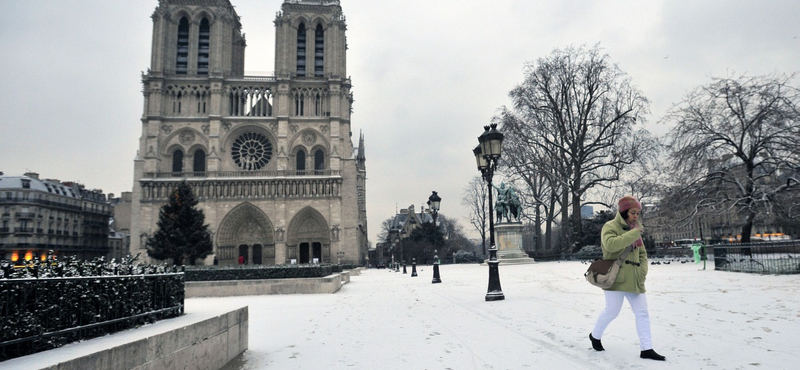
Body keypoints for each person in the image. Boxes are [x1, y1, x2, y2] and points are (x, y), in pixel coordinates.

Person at [589, 195, 666, 361]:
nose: (636, 216)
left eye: (638, 213)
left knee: (642, 313)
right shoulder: (610, 226)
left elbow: (642, 253)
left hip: (635, 279)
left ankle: (647, 349)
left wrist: (643, 271)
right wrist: (633, 234)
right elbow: (610, 246)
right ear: (623, 212)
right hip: (615, 278)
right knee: (612, 312)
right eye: (633, 212)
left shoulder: (635, 228)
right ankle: (595, 335)